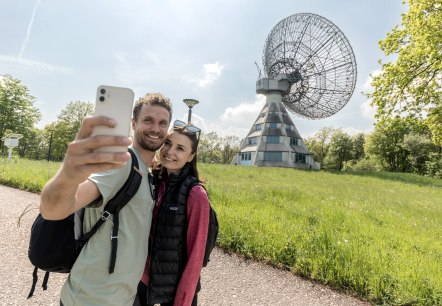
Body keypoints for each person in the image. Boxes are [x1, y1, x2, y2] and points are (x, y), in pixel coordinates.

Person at [39, 93, 173, 306]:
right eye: (148, 120)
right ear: (133, 123)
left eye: (162, 123)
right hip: (92, 298)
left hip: (121, 298)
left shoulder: (147, 172)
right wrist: (68, 173)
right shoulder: (121, 163)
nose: (156, 128)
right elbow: (53, 210)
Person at [135, 120, 210, 306]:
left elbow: (196, 256)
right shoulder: (154, 181)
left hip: (174, 288)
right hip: (142, 279)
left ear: (191, 156)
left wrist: (183, 301)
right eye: (168, 144)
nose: (170, 152)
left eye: (180, 148)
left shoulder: (195, 194)